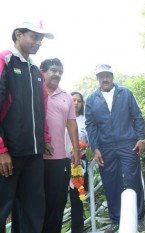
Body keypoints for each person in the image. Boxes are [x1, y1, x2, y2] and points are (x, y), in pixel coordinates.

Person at [0, 20, 54, 233]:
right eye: (34, 36)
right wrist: (1, 150)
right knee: (2, 209)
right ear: (18, 35)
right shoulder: (5, 61)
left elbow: (42, 108)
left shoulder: (36, 71)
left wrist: (45, 138)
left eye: (41, 38)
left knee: (33, 211)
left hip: (34, 155)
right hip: (8, 155)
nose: (39, 42)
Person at [85, 64, 145, 233]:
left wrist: (141, 138)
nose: (104, 79)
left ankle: (140, 219)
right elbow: (90, 125)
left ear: (112, 76)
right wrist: (95, 148)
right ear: (97, 79)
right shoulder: (92, 99)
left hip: (128, 143)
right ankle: (116, 220)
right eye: (101, 76)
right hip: (105, 148)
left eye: (107, 75)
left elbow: (137, 116)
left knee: (133, 179)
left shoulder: (125, 93)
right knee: (111, 183)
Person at [40, 58, 80, 233]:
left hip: (58, 159)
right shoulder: (35, 91)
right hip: (34, 157)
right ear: (43, 71)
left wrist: (76, 150)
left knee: (57, 202)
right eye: (53, 70)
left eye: (60, 72)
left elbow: (72, 123)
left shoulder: (66, 97)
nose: (57, 74)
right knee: (34, 203)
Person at [65, 91, 89, 233]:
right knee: (58, 198)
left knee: (77, 199)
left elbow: (90, 141)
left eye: (79, 101)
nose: (75, 103)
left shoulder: (85, 120)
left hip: (79, 163)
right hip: (61, 161)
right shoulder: (61, 117)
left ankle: (78, 230)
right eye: (73, 100)